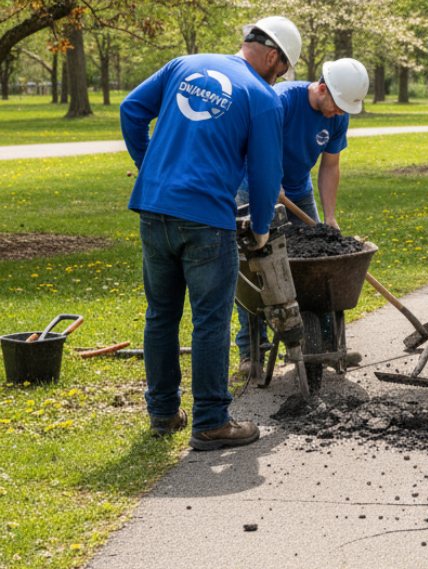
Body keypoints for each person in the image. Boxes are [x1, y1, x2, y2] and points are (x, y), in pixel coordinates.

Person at [119, 16, 301, 450]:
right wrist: (259, 229)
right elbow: (264, 173)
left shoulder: (184, 63)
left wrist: (151, 169)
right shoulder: (261, 97)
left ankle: (163, 414)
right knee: (211, 321)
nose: (278, 78)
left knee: (160, 314)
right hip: (205, 220)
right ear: (273, 55)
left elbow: (131, 110)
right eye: (281, 69)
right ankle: (211, 421)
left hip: (154, 208)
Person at [234, 58, 369, 376]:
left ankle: (326, 345)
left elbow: (330, 166)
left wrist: (330, 218)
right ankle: (251, 351)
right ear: (322, 89)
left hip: (298, 191)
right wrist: (269, 184)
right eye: (336, 105)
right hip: (252, 189)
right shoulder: (281, 101)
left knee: (321, 264)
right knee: (254, 270)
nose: (339, 113)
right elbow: (253, 149)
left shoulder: (338, 117)